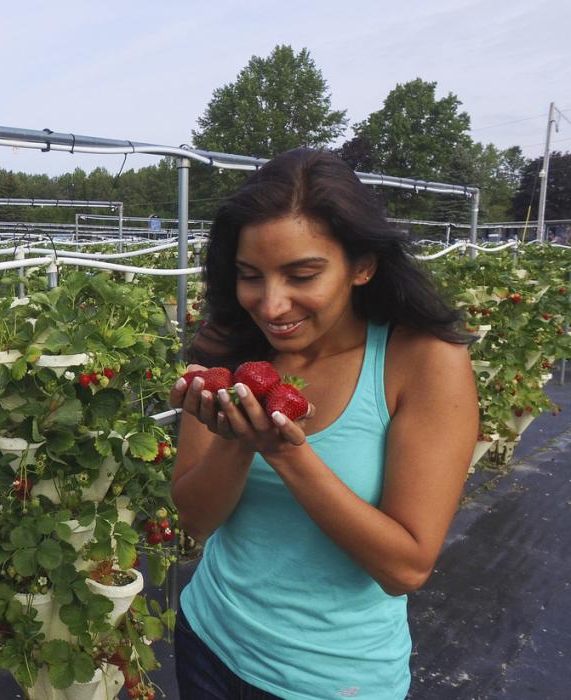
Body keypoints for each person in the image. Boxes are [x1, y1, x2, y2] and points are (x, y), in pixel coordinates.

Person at [167, 148, 478, 699]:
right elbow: (195, 519)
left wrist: (288, 454)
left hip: (331, 679)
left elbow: (405, 569)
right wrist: (236, 444)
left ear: (362, 265)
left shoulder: (422, 362)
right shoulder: (229, 347)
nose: (271, 304)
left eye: (302, 274)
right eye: (249, 276)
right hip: (208, 639)